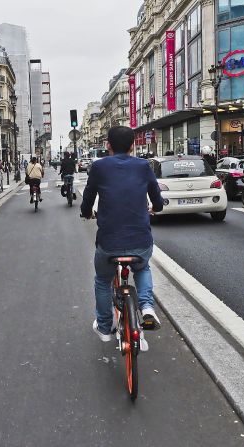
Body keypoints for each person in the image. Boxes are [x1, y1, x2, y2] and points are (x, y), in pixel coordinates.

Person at [80, 126, 164, 344]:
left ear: (108, 145)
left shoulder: (99, 167)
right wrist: (156, 207)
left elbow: (88, 196)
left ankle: (105, 327)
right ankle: (146, 308)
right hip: (140, 240)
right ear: (132, 145)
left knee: (103, 280)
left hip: (109, 242)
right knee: (142, 267)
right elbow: (157, 198)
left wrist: (86, 213)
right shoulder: (144, 166)